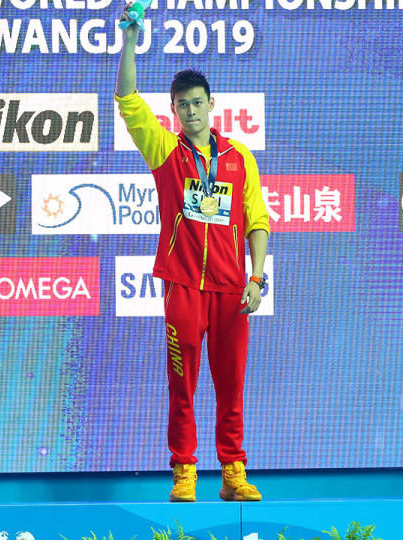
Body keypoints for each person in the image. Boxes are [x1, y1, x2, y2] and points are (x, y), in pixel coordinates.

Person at [114, 4, 270, 502]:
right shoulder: (165, 151)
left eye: (198, 103)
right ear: (175, 110)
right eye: (182, 105)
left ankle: (232, 474)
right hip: (183, 287)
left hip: (231, 289)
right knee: (182, 386)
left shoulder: (240, 157)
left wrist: (257, 278)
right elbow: (127, 99)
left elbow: (258, 222)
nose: (192, 112)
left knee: (232, 386)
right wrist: (132, 42)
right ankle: (184, 472)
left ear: (211, 104)